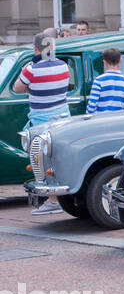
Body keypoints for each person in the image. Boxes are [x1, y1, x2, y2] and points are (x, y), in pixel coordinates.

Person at [13, 30, 71, 214]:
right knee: (59, 157)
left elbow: (17, 87)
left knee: (41, 158)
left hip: (41, 120)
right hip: (63, 116)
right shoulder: (63, 65)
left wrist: (32, 88)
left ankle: (52, 199)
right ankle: (62, 195)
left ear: (35, 48)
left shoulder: (31, 69)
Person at [86, 47, 124, 116]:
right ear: (120, 60)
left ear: (104, 62)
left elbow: (91, 106)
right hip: (119, 121)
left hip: (101, 121)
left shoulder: (98, 81)